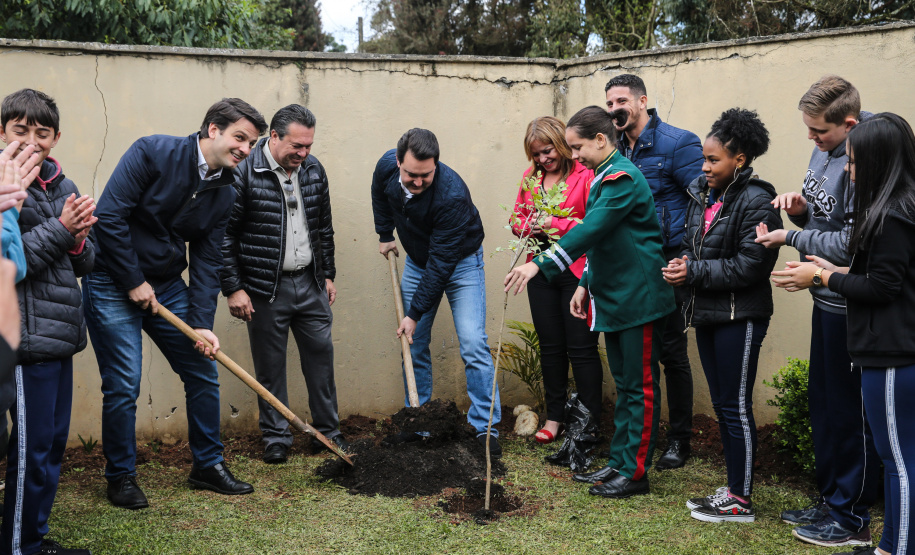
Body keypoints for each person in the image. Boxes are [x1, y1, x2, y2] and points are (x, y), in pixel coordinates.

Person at [84, 98, 267, 510]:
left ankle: (207, 466)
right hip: (112, 279)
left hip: (166, 286)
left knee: (202, 369)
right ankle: (121, 477)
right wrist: (133, 281)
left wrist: (202, 322)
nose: (245, 149)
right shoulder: (152, 152)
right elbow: (109, 216)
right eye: (240, 137)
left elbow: (207, 259)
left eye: (252, 143)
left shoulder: (225, 190)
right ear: (212, 130)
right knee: (124, 383)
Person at [506, 106, 675, 499]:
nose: (574, 155)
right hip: (614, 297)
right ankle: (620, 460)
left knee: (640, 386)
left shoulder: (620, 178)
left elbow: (592, 230)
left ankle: (634, 472)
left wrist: (539, 266)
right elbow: (604, 243)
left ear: (601, 140)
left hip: (639, 298)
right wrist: (585, 282)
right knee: (627, 385)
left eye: (577, 146)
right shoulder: (604, 175)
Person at [770, 112, 915, 555]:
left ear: (878, 162)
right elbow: (881, 273)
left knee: (900, 465)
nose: (847, 172)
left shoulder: (892, 213)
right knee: (894, 461)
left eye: (852, 163)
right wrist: (832, 269)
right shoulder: (891, 208)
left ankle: (896, 547)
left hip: (893, 353)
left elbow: (883, 287)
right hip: (881, 349)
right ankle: (888, 544)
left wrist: (822, 278)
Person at [756, 75, 879, 548]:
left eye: (820, 133)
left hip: (852, 301)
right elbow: (827, 220)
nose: (812, 139)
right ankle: (831, 499)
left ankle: (853, 517)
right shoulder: (825, 147)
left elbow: (853, 243)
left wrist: (790, 236)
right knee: (825, 406)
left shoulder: (867, 157)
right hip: (823, 298)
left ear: (848, 125)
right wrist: (802, 212)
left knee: (852, 412)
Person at [662, 108, 781, 523]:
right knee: (721, 403)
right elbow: (695, 248)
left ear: (740, 160)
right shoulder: (702, 193)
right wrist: (683, 265)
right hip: (709, 313)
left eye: (714, 160)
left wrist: (693, 271)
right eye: (704, 159)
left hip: (740, 317)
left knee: (735, 407)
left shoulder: (759, 202)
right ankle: (733, 488)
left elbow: (750, 267)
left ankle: (741, 501)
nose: (705, 167)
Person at [221, 104, 347, 464]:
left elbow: (324, 226)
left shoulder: (313, 169)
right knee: (270, 366)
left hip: (310, 284)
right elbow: (225, 235)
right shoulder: (243, 171)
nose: (304, 153)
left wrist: (328, 274)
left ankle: (328, 434)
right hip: (263, 289)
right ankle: (276, 437)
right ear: (273, 137)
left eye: (308, 145)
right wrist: (233, 287)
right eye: (297, 146)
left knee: (321, 360)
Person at [0, 88, 96, 555]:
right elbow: (10, 264)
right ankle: (19, 546)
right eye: (21, 131)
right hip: (23, 341)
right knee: (29, 451)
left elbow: (83, 264)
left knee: (52, 446)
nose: (32, 142)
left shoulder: (62, 184)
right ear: (2, 132)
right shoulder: (2, 186)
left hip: (61, 336)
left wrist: (77, 236)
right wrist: (61, 228)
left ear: (56, 137)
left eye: (42, 133)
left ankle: (33, 538)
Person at [371, 128, 502, 457]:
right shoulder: (387, 166)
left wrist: (413, 314)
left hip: (460, 264)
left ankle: (485, 429)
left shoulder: (452, 195)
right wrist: (385, 233)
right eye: (411, 174)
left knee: (473, 342)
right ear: (398, 162)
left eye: (425, 175)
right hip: (418, 262)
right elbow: (379, 194)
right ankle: (418, 421)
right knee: (412, 344)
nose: (417, 182)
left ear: (436, 165)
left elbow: (442, 265)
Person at [605, 73, 703, 470]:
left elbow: (703, 201)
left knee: (672, 354)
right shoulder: (614, 151)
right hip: (632, 271)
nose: (615, 110)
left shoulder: (678, 143)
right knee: (639, 363)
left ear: (642, 101)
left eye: (622, 101)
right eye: (609, 103)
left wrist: (690, 259)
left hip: (669, 264)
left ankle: (679, 440)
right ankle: (644, 439)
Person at [510, 116, 601, 444]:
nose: (542, 159)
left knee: (581, 348)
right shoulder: (530, 177)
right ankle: (555, 417)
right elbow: (516, 218)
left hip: (577, 272)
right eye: (535, 154)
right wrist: (526, 225)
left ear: (562, 145)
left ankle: (588, 422)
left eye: (547, 151)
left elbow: (592, 224)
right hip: (540, 270)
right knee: (550, 348)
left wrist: (554, 223)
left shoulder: (585, 175)